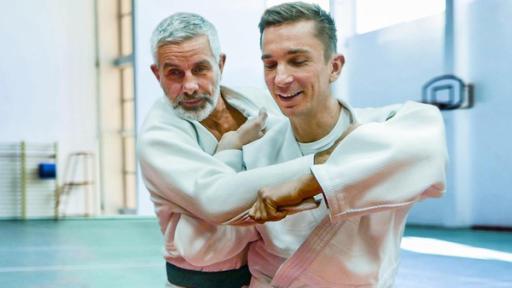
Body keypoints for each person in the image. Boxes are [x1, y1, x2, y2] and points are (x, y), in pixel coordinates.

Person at [240, 2, 448, 287]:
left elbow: (427, 149)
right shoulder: (258, 149)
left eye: (298, 61)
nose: (281, 78)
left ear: (334, 67)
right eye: (270, 64)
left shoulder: (381, 129)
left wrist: (307, 183)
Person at [138, 12, 342, 288]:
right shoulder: (158, 136)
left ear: (220, 63)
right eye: (174, 73)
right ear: (156, 73)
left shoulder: (257, 102)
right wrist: (231, 148)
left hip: (266, 275)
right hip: (199, 280)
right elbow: (216, 199)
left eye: (200, 69)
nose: (189, 86)